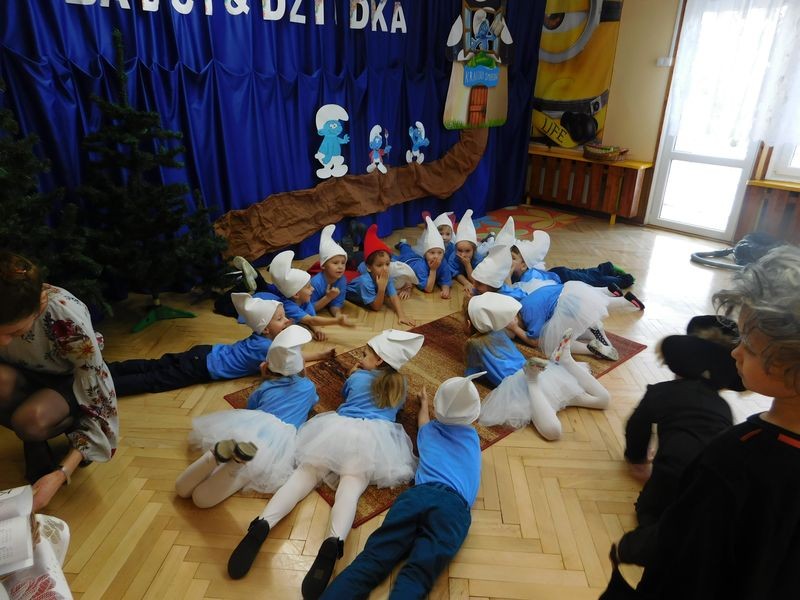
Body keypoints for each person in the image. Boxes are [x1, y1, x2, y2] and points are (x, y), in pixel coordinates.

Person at [603, 245, 800, 599]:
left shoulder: (733, 457)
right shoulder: (731, 432)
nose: (736, 351)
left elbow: (680, 540)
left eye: (749, 346)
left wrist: (632, 547)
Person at [226, 330, 424, 599]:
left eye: (365, 354)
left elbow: (346, 393)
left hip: (337, 431)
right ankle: (334, 541)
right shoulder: (400, 386)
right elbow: (396, 409)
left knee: (304, 474)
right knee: (350, 489)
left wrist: (354, 374)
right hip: (373, 441)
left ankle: (263, 523)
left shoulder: (357, 377)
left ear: (379, 360)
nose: (360, 358)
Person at [321, 372, 485, 599]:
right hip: (452, 508)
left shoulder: (428, 433)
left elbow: (423, 421)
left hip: (416, 497)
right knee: (418, 574)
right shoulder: (472, 437)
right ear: (473, 415)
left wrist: (424, 404)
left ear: (438, 409)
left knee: (373, 559)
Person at [614, 315, 743, 566]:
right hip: (716, 481)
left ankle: (655, 542)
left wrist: (637, 459)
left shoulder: (661, 393)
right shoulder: (722, 408)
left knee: (654, 510)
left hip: (673, 473)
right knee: (700, 513)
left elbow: (637, 427)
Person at [0, 251, 118, 510]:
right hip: (23, 373)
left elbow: (101, 404)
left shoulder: (64, 316)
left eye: (15, 332)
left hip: (70, 381)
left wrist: (62, 473)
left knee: (30, 421)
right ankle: (33, 440)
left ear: (38, 307)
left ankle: (55, 431)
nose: (3, 342)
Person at [174, 325, 318, 507]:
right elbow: (312, 402)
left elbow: (251, 408)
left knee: (181, 489)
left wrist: (265, 380)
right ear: (301, 366)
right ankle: (236, 464)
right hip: (275, 445)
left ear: (268, 367)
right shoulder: (309, 388)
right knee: (202, 500)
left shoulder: (265, 387)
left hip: (251, 427)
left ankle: (215, 456)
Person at [108, 293, 332, 396]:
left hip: (205, 352)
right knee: (154, 380)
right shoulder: (267, 348)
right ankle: (108, 388)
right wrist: (320, 356)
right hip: (202, 367)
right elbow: (291, 360)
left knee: (154, 364)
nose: (288, 321)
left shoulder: (262, 340)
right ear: (265, 328)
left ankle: (110, 369)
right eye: (281, 319)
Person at [466, 293, 610, 440]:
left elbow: (472, 373)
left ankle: (533, 379)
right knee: (604, 400)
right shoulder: (500, 333)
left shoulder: (473, 344)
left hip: (523, 384)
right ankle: (567, 361)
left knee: (553, 432)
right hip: (546, 374)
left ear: (468, 324)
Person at [472, 244, 630, 360]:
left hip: (570, 305)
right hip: (572, 293)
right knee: (562, 327)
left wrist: (515, 329)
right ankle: (595, 331)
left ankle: (589, 348)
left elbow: (534, 341)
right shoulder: (524, 303)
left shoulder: (528, 315)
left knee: (550, 343)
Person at [263, 250, 354, 341]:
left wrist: (317, 330)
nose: (312, 289)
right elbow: (311, 320)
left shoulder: (305, 301)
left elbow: (312, 318)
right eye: (308, 287)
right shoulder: (288, 307)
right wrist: (337, 321)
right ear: (296, 294)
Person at [346, 225, 415, 326]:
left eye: (387, 264)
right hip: (346, 288)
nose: (385, 268)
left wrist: (402, 315)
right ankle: (347, 248)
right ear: (369, 268)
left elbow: (394, 297)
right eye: (379, 265)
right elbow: (376, 307)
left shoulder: (385, 275)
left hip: (362, 266)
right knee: (351, 260)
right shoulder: (365, 282)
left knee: (359, 257)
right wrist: (382, 289)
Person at [396, 216, 453, 299]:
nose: (436, 256)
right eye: (432, 252)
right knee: (403, 252)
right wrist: (433, 270)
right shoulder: (421, 266)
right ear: (425, 254)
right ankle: (402, 244)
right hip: (407, 261)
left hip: (416, 258)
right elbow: (428, 289)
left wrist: (446, 289)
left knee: (409, 251)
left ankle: (404, 245)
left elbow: (446, 279)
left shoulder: (443, 262)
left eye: (440, 253)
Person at [309, 225, 349, 317]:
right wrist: (328, 297)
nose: (340, 267)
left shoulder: (342, 280)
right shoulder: (315, 283)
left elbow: (336, 304)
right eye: (335, 263)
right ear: (323, 265)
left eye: (343, 263)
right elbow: (309, 309)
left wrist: (338, 316)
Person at [448, 209, 484, 289]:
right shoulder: (453, 257)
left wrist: (467, 265)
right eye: (459, 250)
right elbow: (456, 274)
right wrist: (466, 283)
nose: (463, 255)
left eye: (467, 251)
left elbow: (474, 280)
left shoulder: (478, 259)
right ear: (455, 249)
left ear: (474, 250)